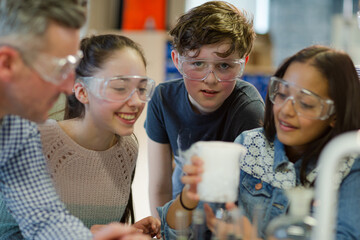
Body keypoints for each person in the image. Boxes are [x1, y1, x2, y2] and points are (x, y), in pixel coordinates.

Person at [164, 45, 360, 239]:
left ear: (335, 113)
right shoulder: (250, 145)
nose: (285, 111)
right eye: (282, 94)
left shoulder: (349, 167)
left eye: (305, 103)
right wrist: (189, 198)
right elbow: (178, 233)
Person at [0, 1, 149, 239]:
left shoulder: (17, 129)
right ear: (7, 63)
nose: (68, 86)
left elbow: (44, 220)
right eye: (57, 67)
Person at [145, 1, 264, 218]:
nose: (210, 79)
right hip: (179, 218)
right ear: (177, 61)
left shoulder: (249, 109)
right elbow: (160, 185)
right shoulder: (163, 100)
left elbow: (254, 197)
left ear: (242, 64)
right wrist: (162, 228)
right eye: (197, 64)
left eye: (224, 66)